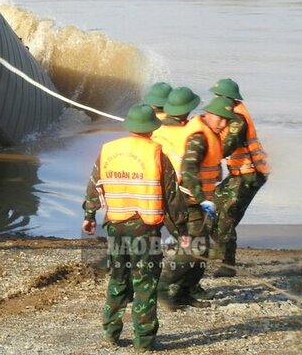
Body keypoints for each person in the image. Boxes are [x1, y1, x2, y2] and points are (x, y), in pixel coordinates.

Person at [83, 103, 188, 351]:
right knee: (145, 283)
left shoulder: (108, 151)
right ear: (152, 128)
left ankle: (111, 333)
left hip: (115, 227)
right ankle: (144, 342)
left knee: (118, 278)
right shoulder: (157, 154)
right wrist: (182, 232)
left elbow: (94, 185)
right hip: (145, 230)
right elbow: (173, 199)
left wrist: (89, 215)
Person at [157, 95, 236, 310]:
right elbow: (188, 171)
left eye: (226, 120)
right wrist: (202, 199)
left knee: (202, 249)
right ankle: (162, 288)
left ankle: (184, 292)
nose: (223, 124)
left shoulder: (210, 133)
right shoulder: (198, 138)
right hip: (186, 201)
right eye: (219, 118)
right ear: (209, 114)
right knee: (194, 247)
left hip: (199, 200)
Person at [209, 78, 270, 277]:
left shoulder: (237, 121)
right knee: (213, 206)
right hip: (238, 173)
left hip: (251, 175)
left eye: (217, 96)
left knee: (227, 214)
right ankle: (221, 249)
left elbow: (227, 146)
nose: (215, 99)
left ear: (227, 99)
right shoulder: (227, 117)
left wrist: (203, 150)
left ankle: (228, 265)